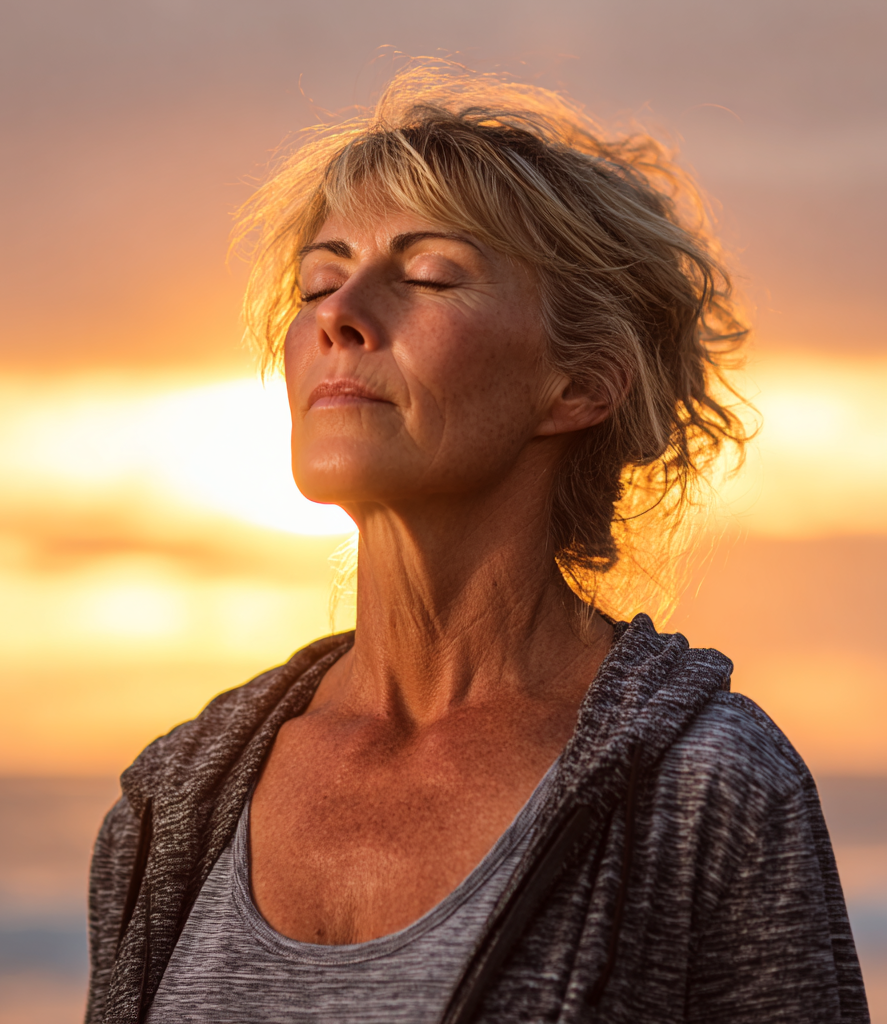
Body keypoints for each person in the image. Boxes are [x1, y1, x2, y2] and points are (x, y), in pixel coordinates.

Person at [84, 64, 869, 1024]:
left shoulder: (708, 791)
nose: (337, 313)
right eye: (319, 280)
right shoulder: (171, 804)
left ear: (581, 385)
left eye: (429, 276)